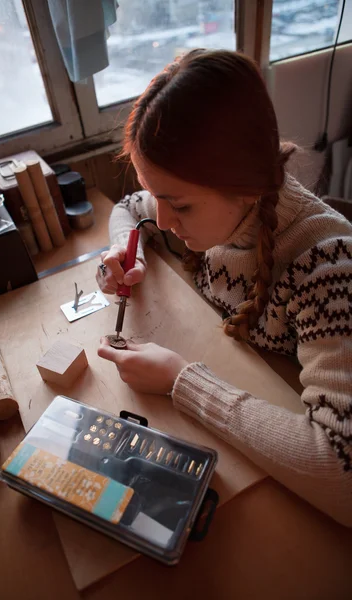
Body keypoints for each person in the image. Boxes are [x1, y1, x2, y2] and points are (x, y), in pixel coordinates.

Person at [95, 49, 352, 526]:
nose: (165, 222)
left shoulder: (329, 265)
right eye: (160, 198)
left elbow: (342, 471)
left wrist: (181, 381)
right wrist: (123, 250)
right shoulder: (210, 205)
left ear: (247, 185)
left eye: (181, 207)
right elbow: (130, 208)